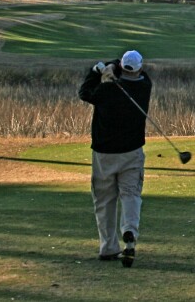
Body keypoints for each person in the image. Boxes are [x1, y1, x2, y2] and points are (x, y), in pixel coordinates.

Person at [79, 50, 152, 266]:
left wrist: (99, 70)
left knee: (104, 201)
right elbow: (133, 72)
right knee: (130, 195)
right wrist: (114, 67)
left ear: (120, 66)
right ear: (139, 68)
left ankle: (108, 247)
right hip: (132, 152)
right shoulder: (145, 84)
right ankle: (130, 231)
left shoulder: (106, 90)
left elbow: (85, 92)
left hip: (104, 154)